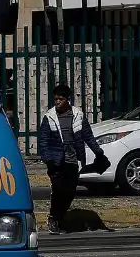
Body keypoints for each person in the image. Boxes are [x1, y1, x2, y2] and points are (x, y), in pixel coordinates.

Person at [38, 83, 105, 234]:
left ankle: (60, 216)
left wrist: (99, 153)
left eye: (60, 99)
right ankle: (53, 218)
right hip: (56, 162)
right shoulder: (49, 117)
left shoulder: (78, 115)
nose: (57, 102)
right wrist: (48, 160)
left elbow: (88, 136)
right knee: (58, 190)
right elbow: (43, 142)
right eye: (55, 99)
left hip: (73, 160)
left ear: (67, 100)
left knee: (69, 192)